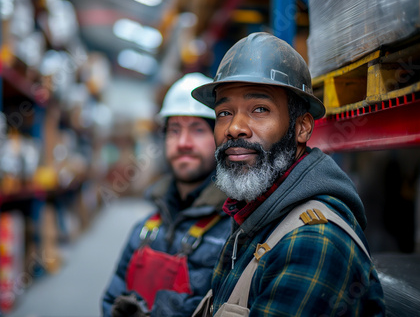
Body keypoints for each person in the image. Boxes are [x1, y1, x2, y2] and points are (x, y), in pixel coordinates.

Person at [190, 32, 386, 316]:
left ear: (302, 128)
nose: (234, 128)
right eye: (224, 112)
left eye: (259, 109)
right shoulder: (257, 215)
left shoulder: (313, 242)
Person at [102, 73, 231, 317]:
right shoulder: (145, 229)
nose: (183, 142)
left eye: (197, 130)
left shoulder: (234, 232)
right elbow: (110, 301)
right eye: (174, 130)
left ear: (219, 138)